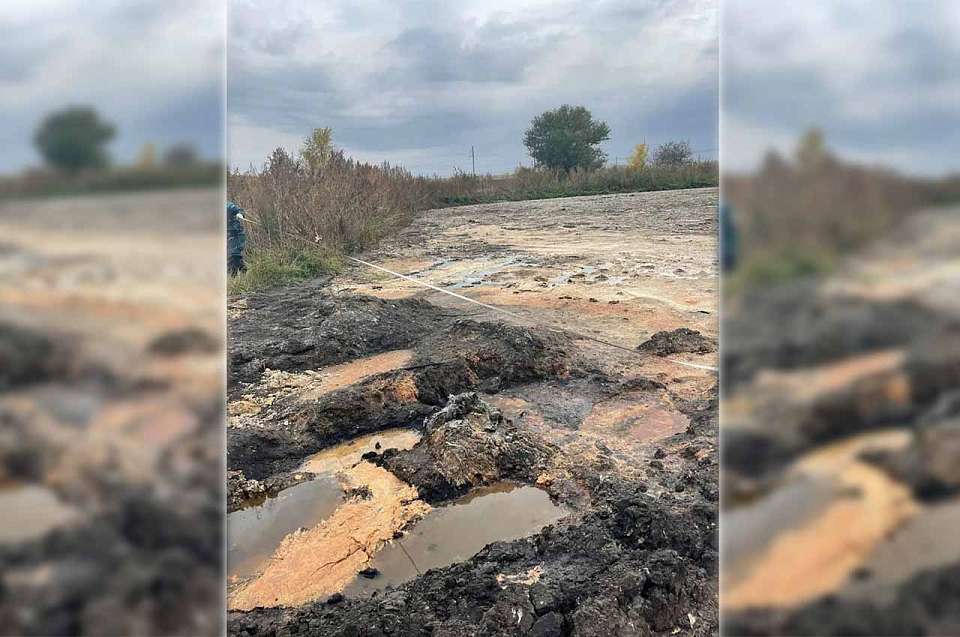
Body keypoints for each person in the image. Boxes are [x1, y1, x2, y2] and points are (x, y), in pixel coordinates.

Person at [227, 201, 247, 275]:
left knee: (233, 255)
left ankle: (233, 275)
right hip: (228, 236)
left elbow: (239, 210)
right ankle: (243, 271)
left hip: (237, 235)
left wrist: (239, 214)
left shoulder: (228, 206)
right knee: (235, 257)